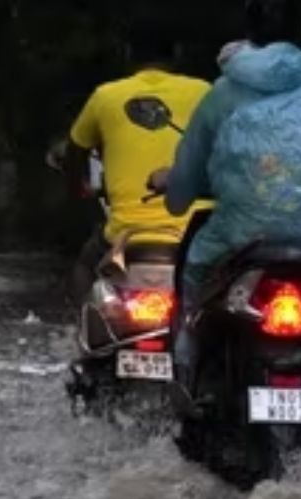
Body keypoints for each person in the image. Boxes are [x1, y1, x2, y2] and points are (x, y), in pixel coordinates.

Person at [153, 0, 301, 394]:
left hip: (239, 241)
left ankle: (186, 372)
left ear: (250, 32)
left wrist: (176, 191)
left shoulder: (223, 93)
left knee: (193, 273)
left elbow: (180, 194)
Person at [62, 21, 212, 307]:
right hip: (197, 232)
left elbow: (74, 155)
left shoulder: (106, 96)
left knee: (83, 268)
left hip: (125, 233)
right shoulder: (204, 92)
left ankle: (87, 331)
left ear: (126, 53)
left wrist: (78, 191)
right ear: (177, 54)